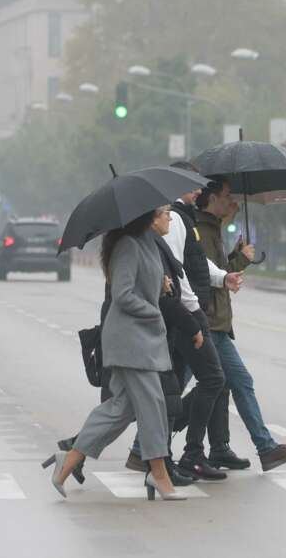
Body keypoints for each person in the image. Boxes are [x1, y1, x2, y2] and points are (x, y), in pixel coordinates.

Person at [45, 208, 186, 501]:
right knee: (153, 404)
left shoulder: (147, 244)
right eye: (164, 213)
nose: (170, 218)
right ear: (149, 217)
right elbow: (123, 294)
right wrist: (153, 311)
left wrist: (159, 287)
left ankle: (69, 460)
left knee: (121, 408)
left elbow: (140, 285)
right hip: (129, 340)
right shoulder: (128, 245)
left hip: (140, 340)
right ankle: (159, 472)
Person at [194, 179, 286, 471]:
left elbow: (218, 271)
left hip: (214, 322)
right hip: (209, 322)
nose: (232, 201)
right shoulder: (203, 232)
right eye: (226, 196)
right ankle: (265, 448)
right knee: (233, 382)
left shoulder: (212, 229)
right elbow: (209, 276)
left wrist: (235, 256)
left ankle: (219, 448)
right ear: (211, 199)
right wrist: (241, 261)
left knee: (218, 386)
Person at [164, 162, 244, 481]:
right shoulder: (174, 219)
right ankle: (190, 455)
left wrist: (223, 277)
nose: (200, 189)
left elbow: (197, 261)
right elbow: (178, 272)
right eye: (194, 184)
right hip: (186, 313)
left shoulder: (185, 218)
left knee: (177, 385)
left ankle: (158, 454)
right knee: (213, 379)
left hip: (187, 311)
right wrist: (194, 315)